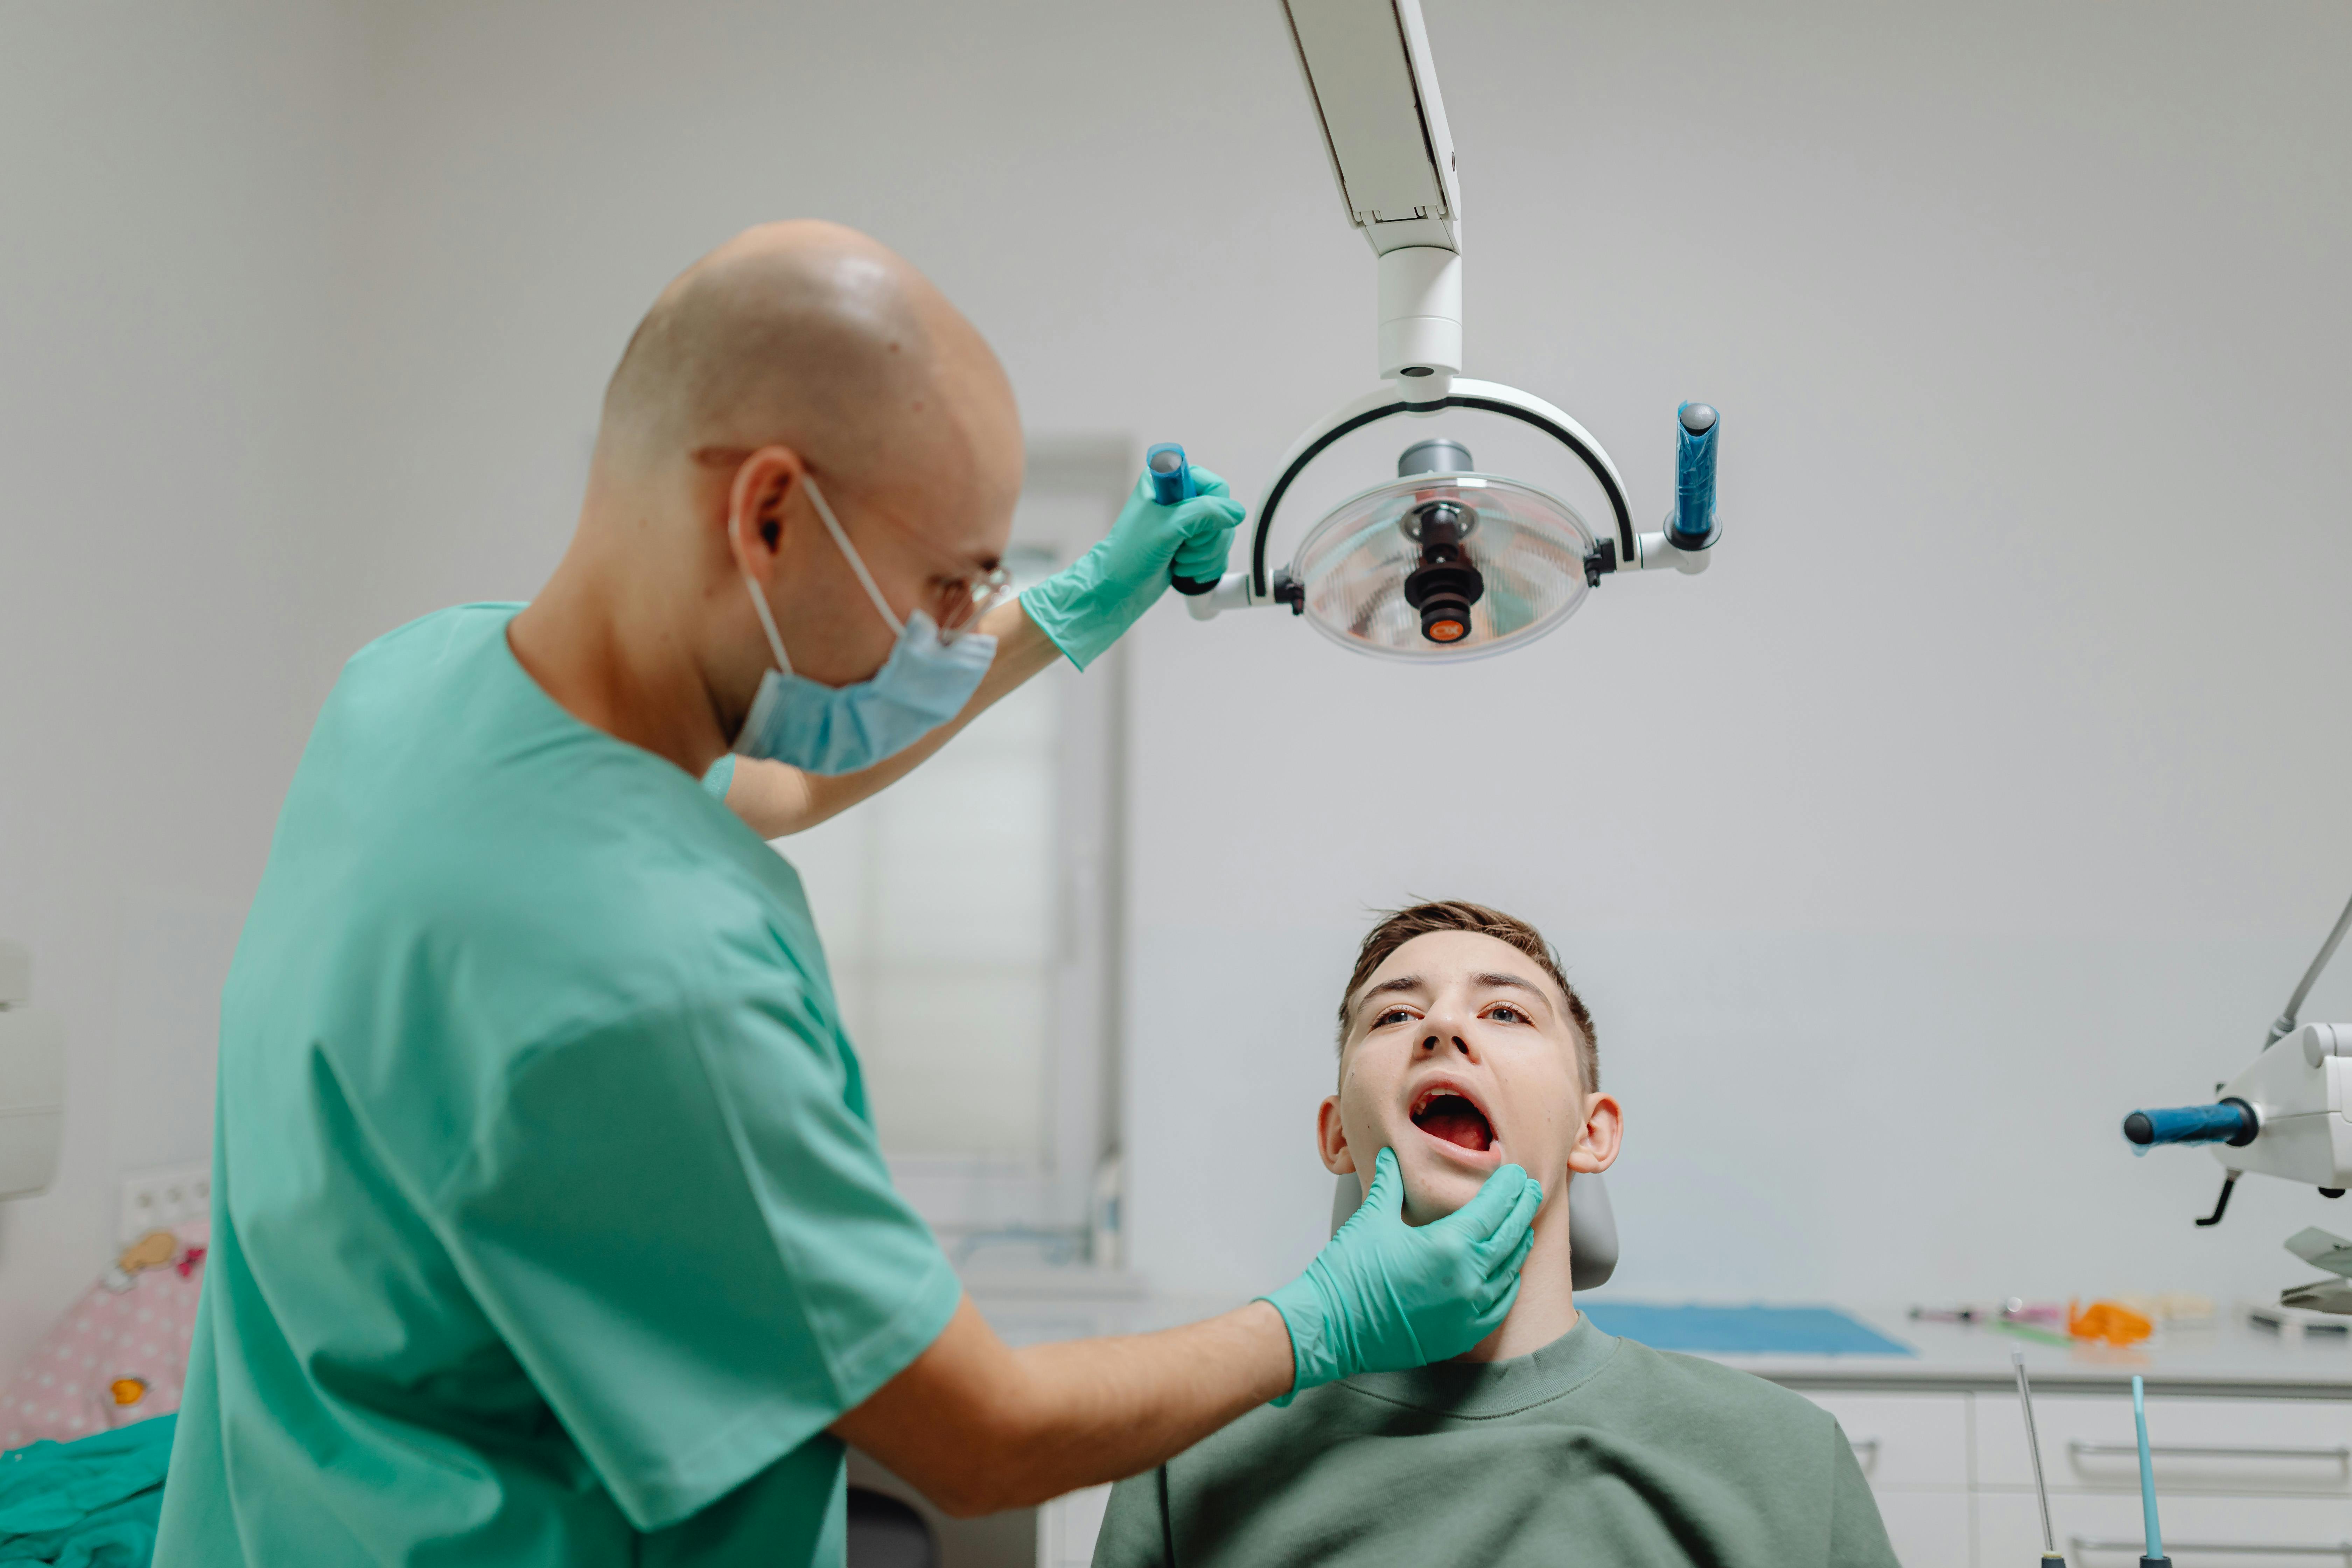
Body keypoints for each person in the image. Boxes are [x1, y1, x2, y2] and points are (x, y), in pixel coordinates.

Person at [153, 223, 1546, 1567]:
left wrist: (1059, 616)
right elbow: (983, 1440)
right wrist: (1327, 1318)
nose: (954, 627)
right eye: (945, 586)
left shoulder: (416, 686)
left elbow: (774, 786)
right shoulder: (654, 984)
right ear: (769, 514)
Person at [1091, 901, 1900, 1568]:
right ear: (1338, 1135)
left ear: (1594, 1132)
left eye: (1506, 1010)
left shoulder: (1788, 1460)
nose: (1442, 1026)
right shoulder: (1189, 1462)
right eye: (1397, 1012)